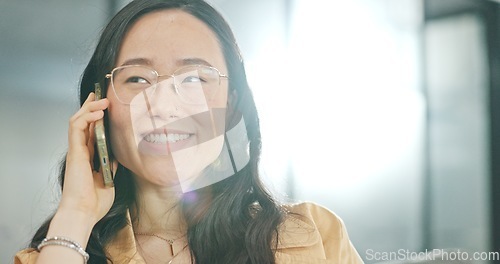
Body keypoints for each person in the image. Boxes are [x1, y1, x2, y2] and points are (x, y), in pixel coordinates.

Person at [15, 0, 363, 263]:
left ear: (233, 104)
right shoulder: (54, 252)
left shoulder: (318, 236)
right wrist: (75, 214)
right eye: (137, 79)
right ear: (98, 106)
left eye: (195, 79)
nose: (164, 106)